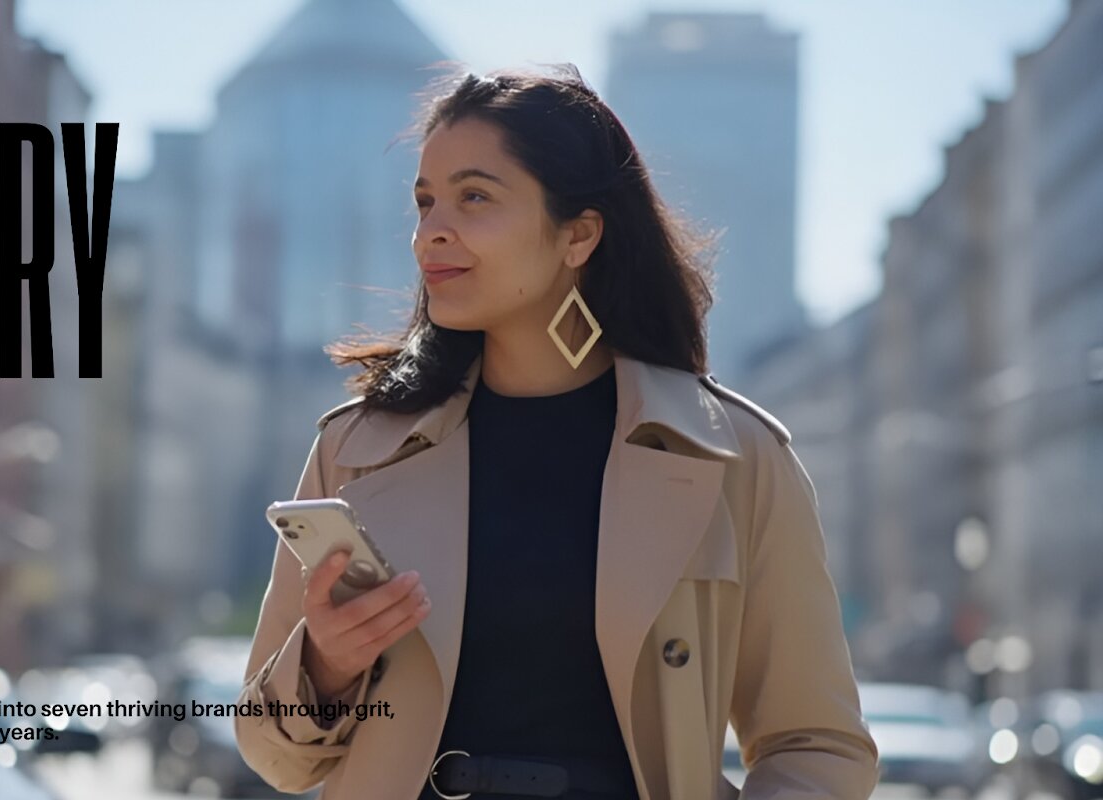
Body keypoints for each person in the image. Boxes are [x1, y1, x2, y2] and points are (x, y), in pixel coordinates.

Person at [234, 65, 879, 800]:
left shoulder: (732, 455)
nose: (428, 233)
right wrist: (323, 666)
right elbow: (274, 755)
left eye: (474, 197)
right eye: (424, 201)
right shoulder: (356, 451)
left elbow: (815, 745)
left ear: (579, 235)